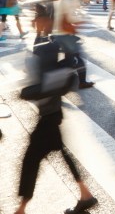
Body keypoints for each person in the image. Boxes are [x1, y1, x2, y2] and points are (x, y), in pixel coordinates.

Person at [14, 32, 97, 214]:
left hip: (48, 120)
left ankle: (21, 209)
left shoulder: (55, 72)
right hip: (52, 116)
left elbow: (34, 91)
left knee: (31, 161)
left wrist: (27, 92)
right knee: (61, 154)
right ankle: (86, 195)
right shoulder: (63, 67)